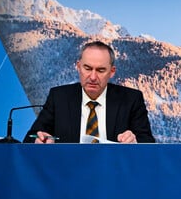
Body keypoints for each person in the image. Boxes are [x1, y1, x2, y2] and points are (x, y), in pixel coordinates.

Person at [26, 41, 155, 144]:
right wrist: (39, 139)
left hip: (114, 172)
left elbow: (148, 143)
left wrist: (135, 141)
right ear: (78, 66)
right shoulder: (59, 97)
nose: (93, 77)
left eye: (100, 70)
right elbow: (31, 137)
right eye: (87, 68)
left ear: (112, 72)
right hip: (68, 171)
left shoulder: (131, 99)